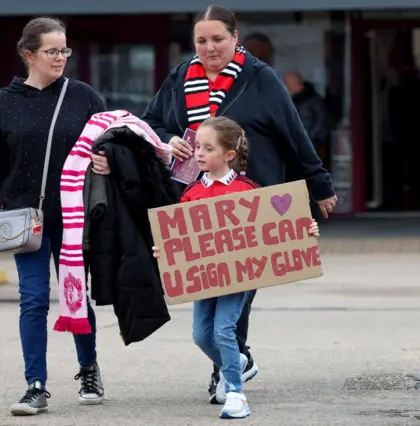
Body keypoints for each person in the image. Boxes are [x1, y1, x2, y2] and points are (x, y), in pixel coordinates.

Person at [141, 4, 336, 404]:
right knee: (208, 286)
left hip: (250, 201)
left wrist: (319, 185)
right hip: (195, 202)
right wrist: (168, 139)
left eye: (218, 39)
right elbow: (152, 123)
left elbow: (294, 135)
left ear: (235, 37)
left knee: (235, 288)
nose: (209, 47)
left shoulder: (261, 79)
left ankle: (225, 372)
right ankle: (236, 361)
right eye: (201, 40)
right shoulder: (179, 78)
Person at [0, 16, 108, 416]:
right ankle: (35, 385)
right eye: (52, 51)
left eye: (65, 50)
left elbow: (112, 144)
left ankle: (88, 368)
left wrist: (107, 161)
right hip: (25, 218)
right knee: (33, 300)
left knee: (75, 295)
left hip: (75, 214)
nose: (61, 58)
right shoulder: (5, 101)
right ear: (29, 54)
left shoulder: (83, 96)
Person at [152, 117, 320, 419]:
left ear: (230, 154)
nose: (199, 153)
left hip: (238, 277)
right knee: (201, 336)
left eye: (208, 148)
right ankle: (239, 363)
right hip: (204, 278)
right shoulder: (190, 191)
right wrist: (166, 249)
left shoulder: (246, 189)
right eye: (197, 147)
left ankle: (235, 392)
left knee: (224, 330)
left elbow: (273, 226)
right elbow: (183, 238)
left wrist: (301, 230)